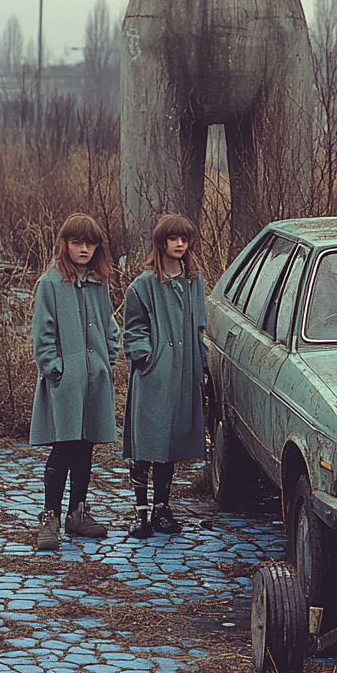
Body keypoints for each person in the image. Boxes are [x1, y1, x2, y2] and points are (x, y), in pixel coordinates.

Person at [30, 213, 119, 551]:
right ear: (64, 244)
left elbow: (109, 325)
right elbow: (43, 333)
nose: (84, 249)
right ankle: (50, 516)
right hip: (65, 380)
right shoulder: (51, 283)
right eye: (77, 242)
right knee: (64, 444)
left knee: (86, 444)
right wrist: (56, 368)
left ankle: (77, 514)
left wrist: (106, 362)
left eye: (89, 243)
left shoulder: (100, 282)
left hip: (94, 378)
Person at [122, 214, 208, 538]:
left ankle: (162, 508)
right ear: (161, 242)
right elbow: (133, 330)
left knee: (171, 442)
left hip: (184, 372)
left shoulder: (193, 281)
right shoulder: (142, 285)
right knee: (147, 442)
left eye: (184, 238)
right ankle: (140, 511)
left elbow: (199, 328)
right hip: (154, 374)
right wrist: (146, 357)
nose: (180, 244)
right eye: (174, 238)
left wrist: (201, 370)